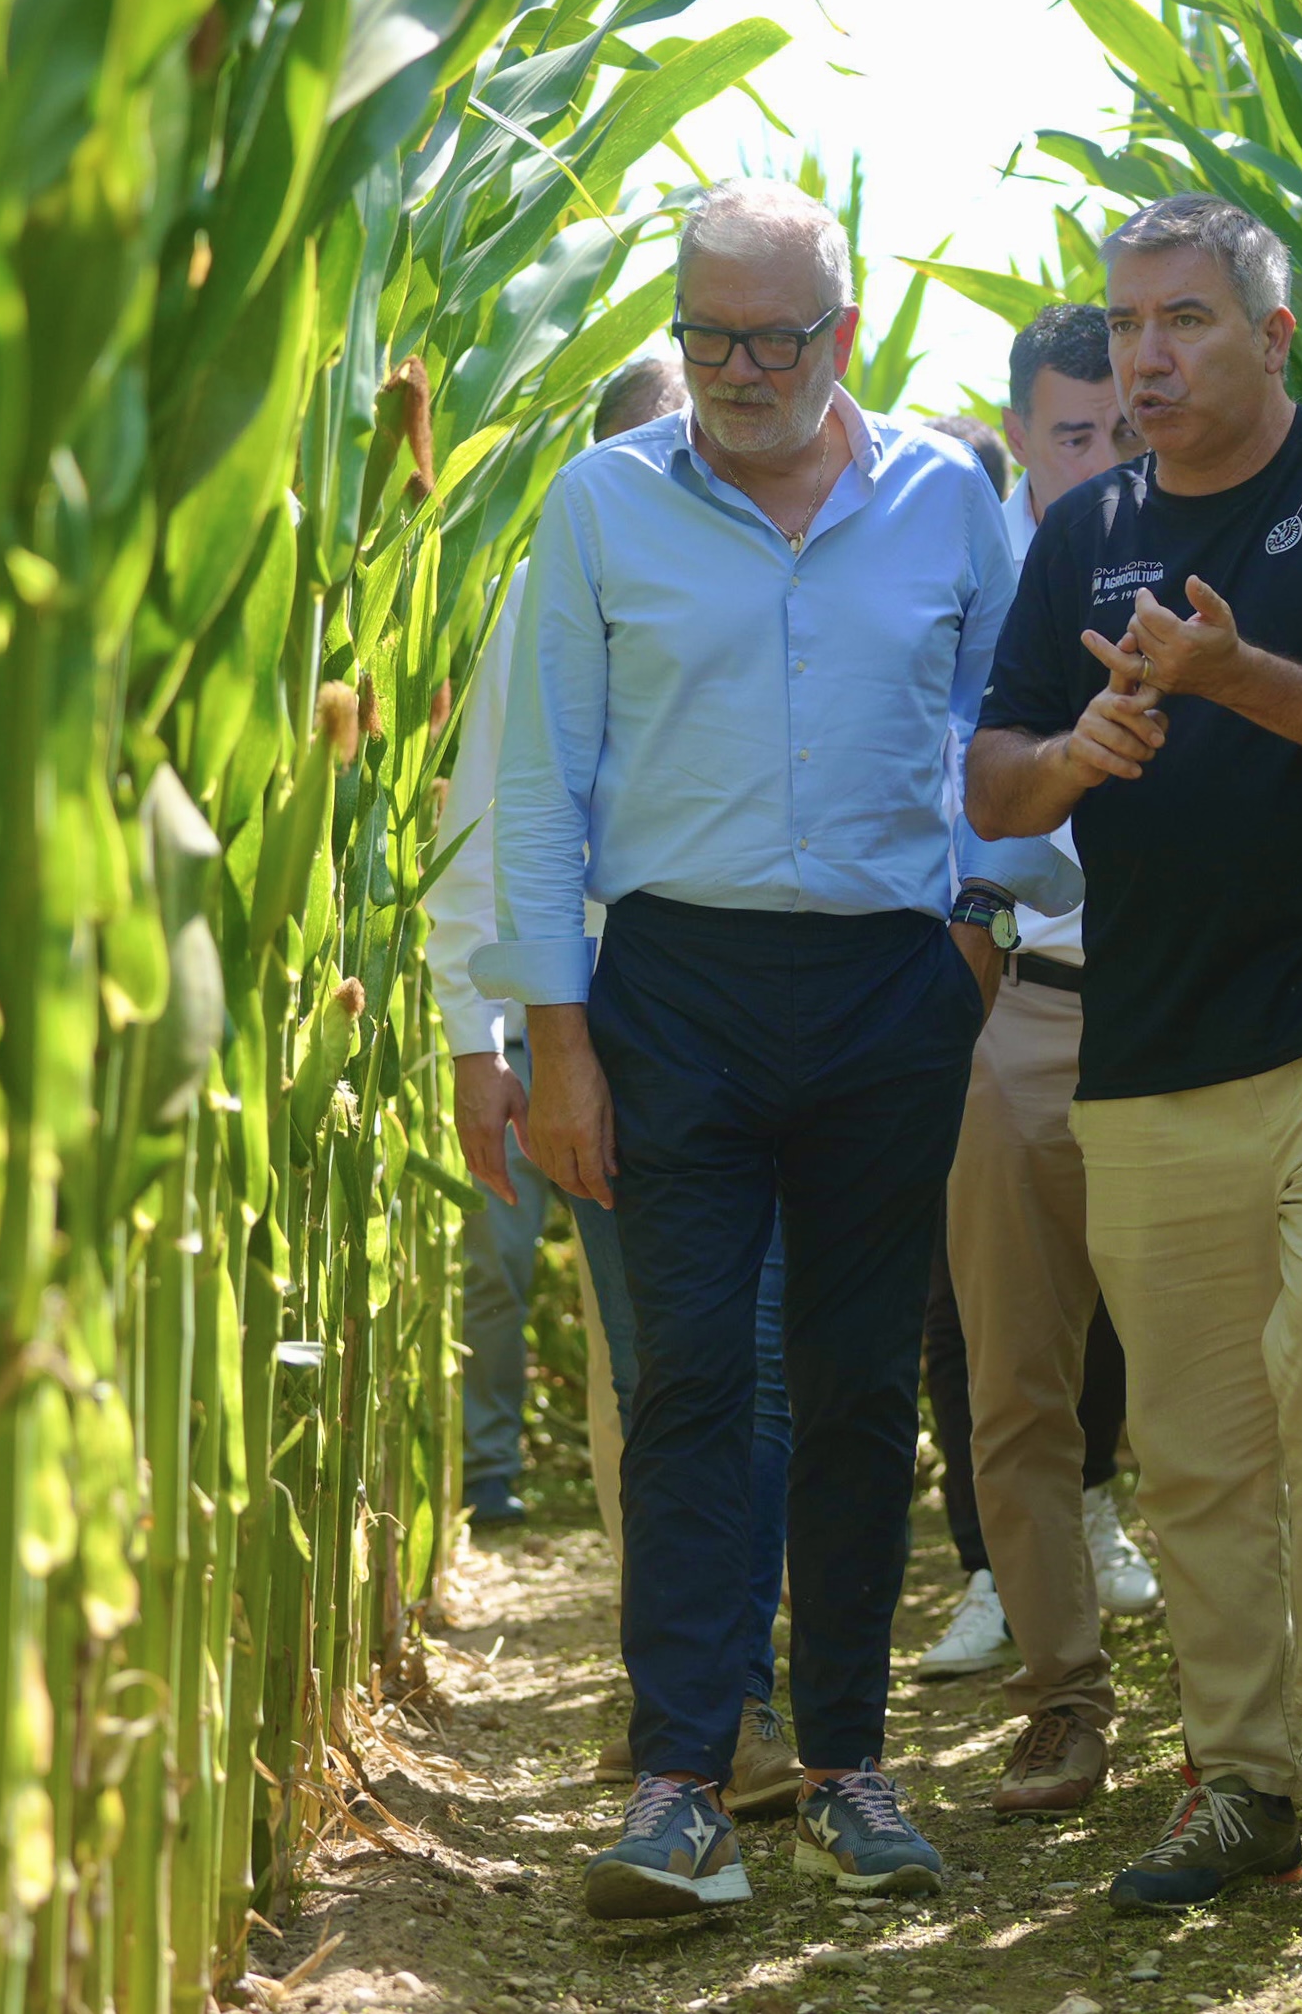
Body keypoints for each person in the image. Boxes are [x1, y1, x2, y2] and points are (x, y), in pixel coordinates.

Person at [474, 179, 1077, 1920]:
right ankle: (678, 1783)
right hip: (671, 988)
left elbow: (1003, 736)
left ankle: (847, 1768)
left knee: (856, 1384)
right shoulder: (600, 504)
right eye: (707, 334)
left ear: (845, 328)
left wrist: (975, 928)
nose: (736, 369)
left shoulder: (950, 502)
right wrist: (559, 1041)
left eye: (772, 336)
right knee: (683, 1385)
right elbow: (539, 789)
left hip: (891, 986)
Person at [967, 195, 1302, 1912]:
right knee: (1191, 1439)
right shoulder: (1082, 534)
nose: (1145, 358)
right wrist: (1081, 750)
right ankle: (1236, 1778)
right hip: (1152, 1041)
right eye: (1127, 327)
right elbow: (989, 786)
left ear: (1269, 338)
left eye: (1184, 321)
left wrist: (1231, 675)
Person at [423, 354, 800, 1820]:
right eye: (663, 452)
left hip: (802, 1025)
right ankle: (712, 1707)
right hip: (621, 1035)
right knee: (678, 1371)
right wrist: (485, 1046)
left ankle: (719, 1699)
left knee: (764, 1370)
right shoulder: (554, 586)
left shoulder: (798, 582)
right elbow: (485, 824)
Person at [917, 305, 1162, 1828]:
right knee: (990, 1335)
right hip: (1001, 974)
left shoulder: (1187, 552)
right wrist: (969, 925)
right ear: (1019, 432)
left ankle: (1232, 1704)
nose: (1101, 463)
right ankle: (1031, 1648)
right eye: (1074, 434)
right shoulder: (967, 561)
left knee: (1176, 1336)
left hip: (1173, 993)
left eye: (1122, 434)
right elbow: (939, 765)